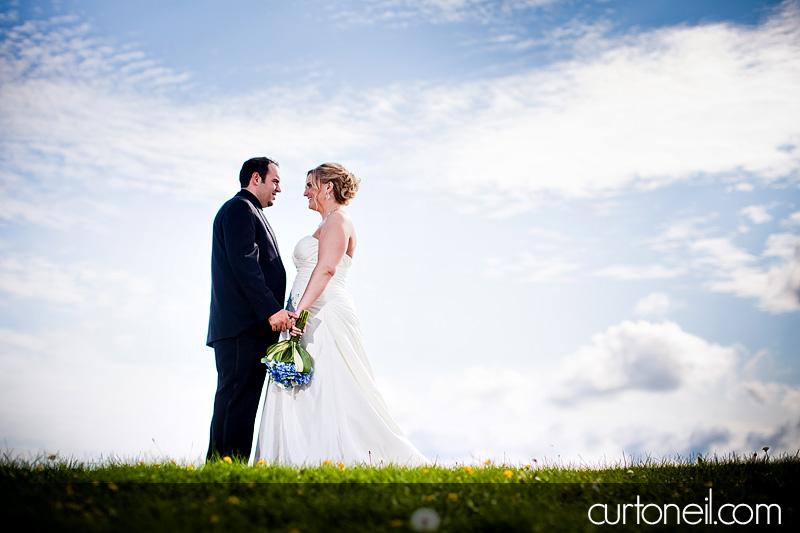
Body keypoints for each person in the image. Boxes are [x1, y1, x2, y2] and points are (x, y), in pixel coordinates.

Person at [254, 163, 428, 466]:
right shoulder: (326, 223)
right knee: (309, 384)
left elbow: (326, 269)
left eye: (310, 185)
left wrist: (299, 314)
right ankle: (303, 456)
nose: (305, 192)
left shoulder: (338, 220)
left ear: (328, 187)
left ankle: (351, 453)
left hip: (324, 313)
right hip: (308, 311)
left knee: (335, 383)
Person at [206, 157, 298, 461]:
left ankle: (226, 468)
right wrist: (271, 310)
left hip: (248, 328)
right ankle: (223, 468)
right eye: (275, 181)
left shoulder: (248, 211)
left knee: (242, 404)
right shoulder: (239, 209)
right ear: (255, 178)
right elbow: (245, 263)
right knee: (236, 402)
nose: (279, 189)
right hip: (242, 328)